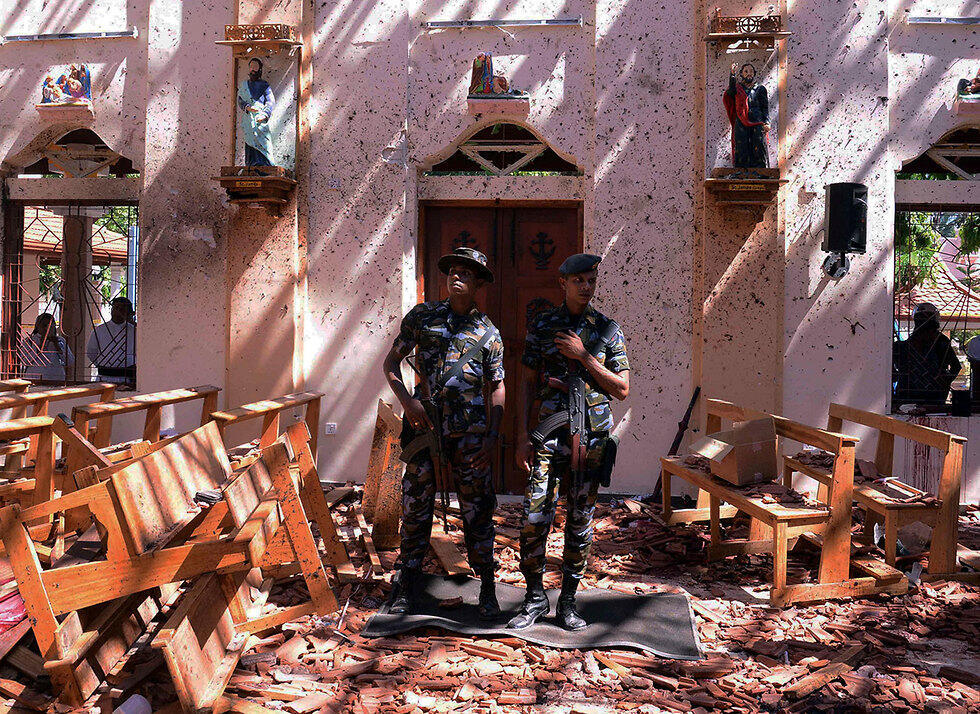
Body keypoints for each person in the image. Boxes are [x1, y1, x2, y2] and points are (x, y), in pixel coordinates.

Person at [381, 247, 505, 619]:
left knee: (478, 510)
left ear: (479, 283)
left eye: (466, 272)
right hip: (424, 426)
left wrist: (493, 436)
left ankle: (487, 585)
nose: (456, 276)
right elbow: (390, 363)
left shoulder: (489, 333)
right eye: (451, 270)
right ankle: (407, 582)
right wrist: (407, 402)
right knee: (415, 506)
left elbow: (497, 386)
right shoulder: (422, 317)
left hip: (470, 436)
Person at [509, 253, 630, 631]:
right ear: (562, 283)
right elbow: (526, 382)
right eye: (578, 280)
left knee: (580, 523)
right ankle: (533, 598)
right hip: (547, 437)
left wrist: (585, 357)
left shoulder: (609, 330)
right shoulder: (543, 325)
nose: (586, 286)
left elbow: (622, 388)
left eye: (591, 279)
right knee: (533, 518)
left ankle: (568, 602)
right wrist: (519, 437)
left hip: (590, 441)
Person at [893, 302, 961, 405]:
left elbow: (956, 367)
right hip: (913, 397)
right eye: (922, 319)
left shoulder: (941, 342)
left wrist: (943, 382)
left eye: (926, 319)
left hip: (930, 398)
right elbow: (956, 367)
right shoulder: (901, 347)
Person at [723, 62, 770, 169]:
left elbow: (764, 107)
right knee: (741, 145)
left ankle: (760, 170)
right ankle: (740, 170)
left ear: (754, 74)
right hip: (741, 121)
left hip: (757, 121)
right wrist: (732, 74)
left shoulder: (760, 89)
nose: (749, 74)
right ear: (741, 74)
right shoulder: (737, 89)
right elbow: (730, 92)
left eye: (751, 71)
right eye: (746, 71)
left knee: (758, 145)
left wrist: (767, 122)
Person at [86, 297, 136, 386]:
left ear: (127, 312)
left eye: (122, 309)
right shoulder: (100, 330)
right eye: (116, 308)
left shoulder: (134, 331)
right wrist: (103, 364)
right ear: (111, 309)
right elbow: (91, 352)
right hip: (104, 377)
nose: (118, 311)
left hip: (126, 378)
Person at [237, 58, 276, 167]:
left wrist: (264, 114)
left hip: (260, 117)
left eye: (256, 68)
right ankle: (251, 164)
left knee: (263, 141)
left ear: (260, 70)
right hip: (249, 119)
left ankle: (265, 163)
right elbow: (240, 100)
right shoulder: (244, 85)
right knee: (250, 140)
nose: (253, 70)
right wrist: (248, 107)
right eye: (251, 67)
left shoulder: (264, 85)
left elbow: (270, 101)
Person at [21, 313, 73, 382]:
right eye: (44, 325)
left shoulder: (60, 341)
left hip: (57, 379)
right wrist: (39, 347)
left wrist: (58, 347)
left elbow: (70, 361)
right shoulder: (30, 341)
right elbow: (25, 361)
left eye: (51, 325)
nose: (47, 328)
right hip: (35, 379)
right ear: (38, 326)